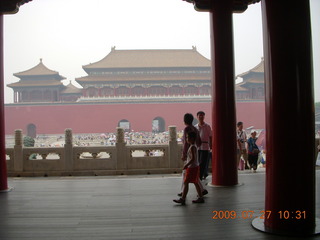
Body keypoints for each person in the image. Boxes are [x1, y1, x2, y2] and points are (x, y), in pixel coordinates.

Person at [178, 113, 208, 197]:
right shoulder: (195, 128)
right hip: (195, 151)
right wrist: (194, 147)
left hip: (189, 154)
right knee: (192, 173)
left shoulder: (186, 129)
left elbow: (185, 144)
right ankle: (201, 190)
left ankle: (183, 192)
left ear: (184, 121)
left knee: (186, 172)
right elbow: (199, 142)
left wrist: (184, 154)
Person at [173, 131, 204, 205]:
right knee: (195, 182)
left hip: (192, 167)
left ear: (192, 139)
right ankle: (200, 197)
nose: (187, 139)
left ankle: (183, 199)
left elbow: (193, 158)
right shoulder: (194, 146)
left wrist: (186, 165)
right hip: (195, 167)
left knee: (186, 182)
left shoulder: (192, 147)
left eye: (188, 137)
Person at [195, 111, 212, 180]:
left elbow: (211, 136)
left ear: (204, 117)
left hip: (205, 147)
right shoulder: (195, 127)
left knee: (203, 162)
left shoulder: (207, 126)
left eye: (202, 115)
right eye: (199, 115)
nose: (201, 117)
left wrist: (211, 145)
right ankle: (202, 174)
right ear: (197, 117)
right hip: (197, 147)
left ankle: (199, 176)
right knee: (198, 162)